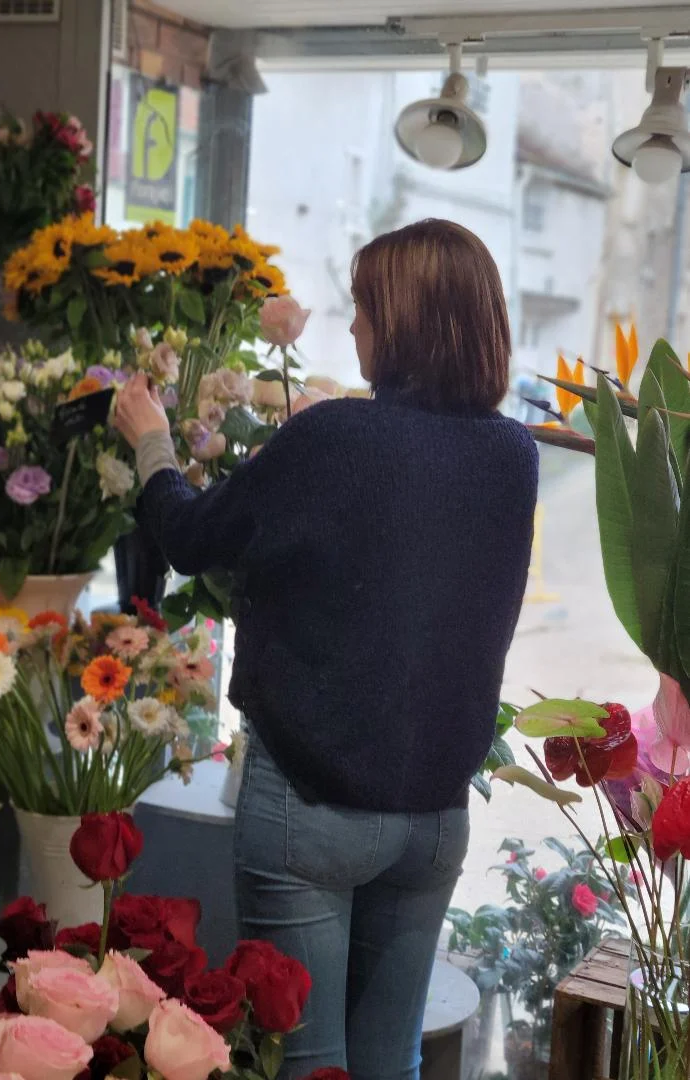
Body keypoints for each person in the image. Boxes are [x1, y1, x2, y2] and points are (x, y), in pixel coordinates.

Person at [115, 218, 539, 1080]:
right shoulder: (514, 455)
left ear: (408, 323)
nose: (352, 328)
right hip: (434, 820)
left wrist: (150, 439)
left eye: (364, 308)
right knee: (390, 1066)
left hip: (311, 805)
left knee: (306, 1067)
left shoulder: (335, 438)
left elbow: (193, 539)